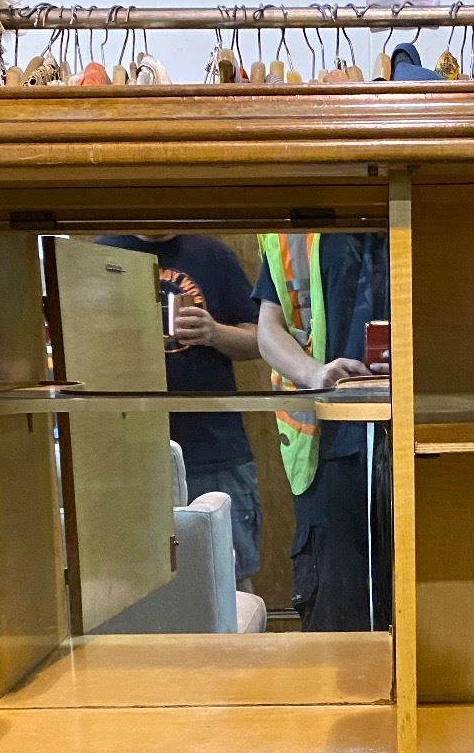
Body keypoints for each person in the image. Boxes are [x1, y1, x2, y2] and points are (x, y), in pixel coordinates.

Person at [96, 232, 263, 583]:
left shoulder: (214, 255)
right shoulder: (100, 256)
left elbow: (261, 340)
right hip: (124, 452)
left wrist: (215, 333)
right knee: (130, 584)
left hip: (216, 448)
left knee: (229, 578)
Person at [253, 232, 389, 631]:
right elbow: (269, 327)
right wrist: (314, 373)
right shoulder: (296, 231)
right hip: (328, 449)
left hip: (422, 443)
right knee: (337, 615)